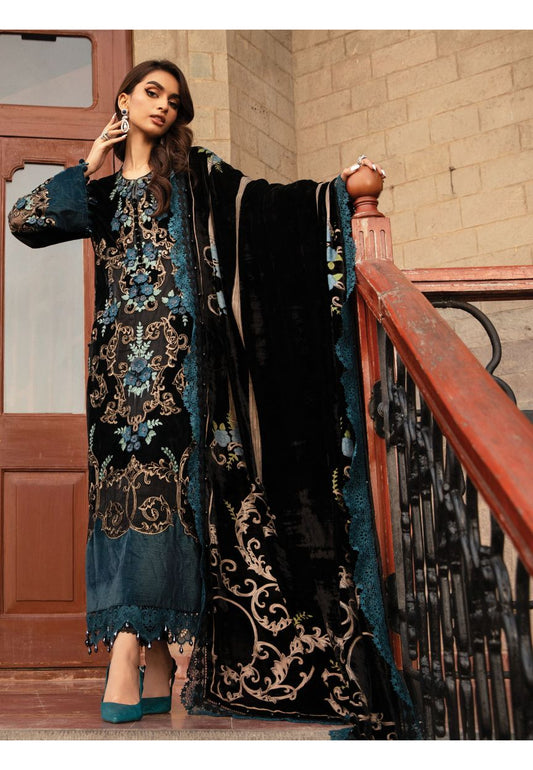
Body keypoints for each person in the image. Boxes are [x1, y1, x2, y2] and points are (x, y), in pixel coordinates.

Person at [9, 59, 417, 738]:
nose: (163, 106)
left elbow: (266, 206)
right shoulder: (101, 198)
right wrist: (89, 160)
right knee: (118, 500)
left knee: (171, 500)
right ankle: (156, 660)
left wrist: (339, 191)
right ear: (124, 99)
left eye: (174, 98)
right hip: (114, 378)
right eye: (151, 92)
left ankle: (130, 651)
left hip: (183, 374)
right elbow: (25, 221)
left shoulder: (195, 178)